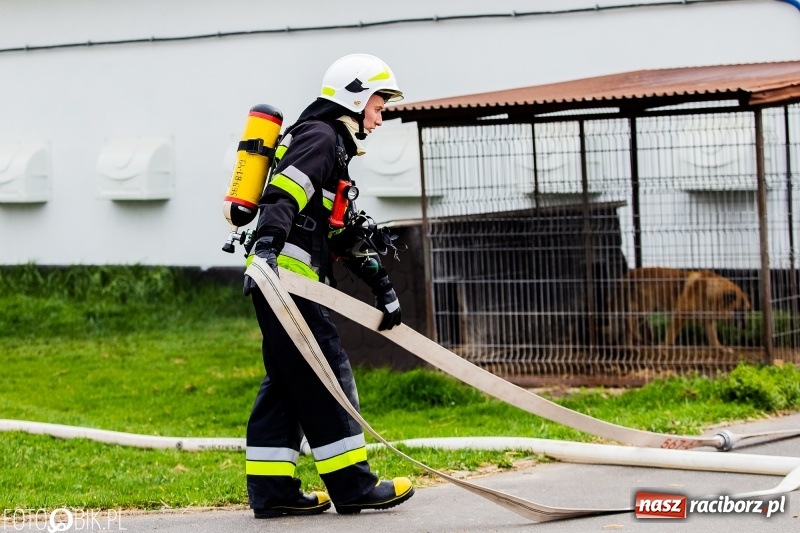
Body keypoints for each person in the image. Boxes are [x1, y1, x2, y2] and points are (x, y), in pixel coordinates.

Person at [241, 53, 415, 519]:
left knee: (287, 384)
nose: (380, 119)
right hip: (287, 285)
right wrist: (268, 247)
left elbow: (341, 233)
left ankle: (273, 492)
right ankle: (353, 486)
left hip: (283, 284)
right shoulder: (320, 138)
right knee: (327, 373)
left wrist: (382, 286)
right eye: (378, 107)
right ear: (355, 99)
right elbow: (285, 192)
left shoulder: (331, 147)